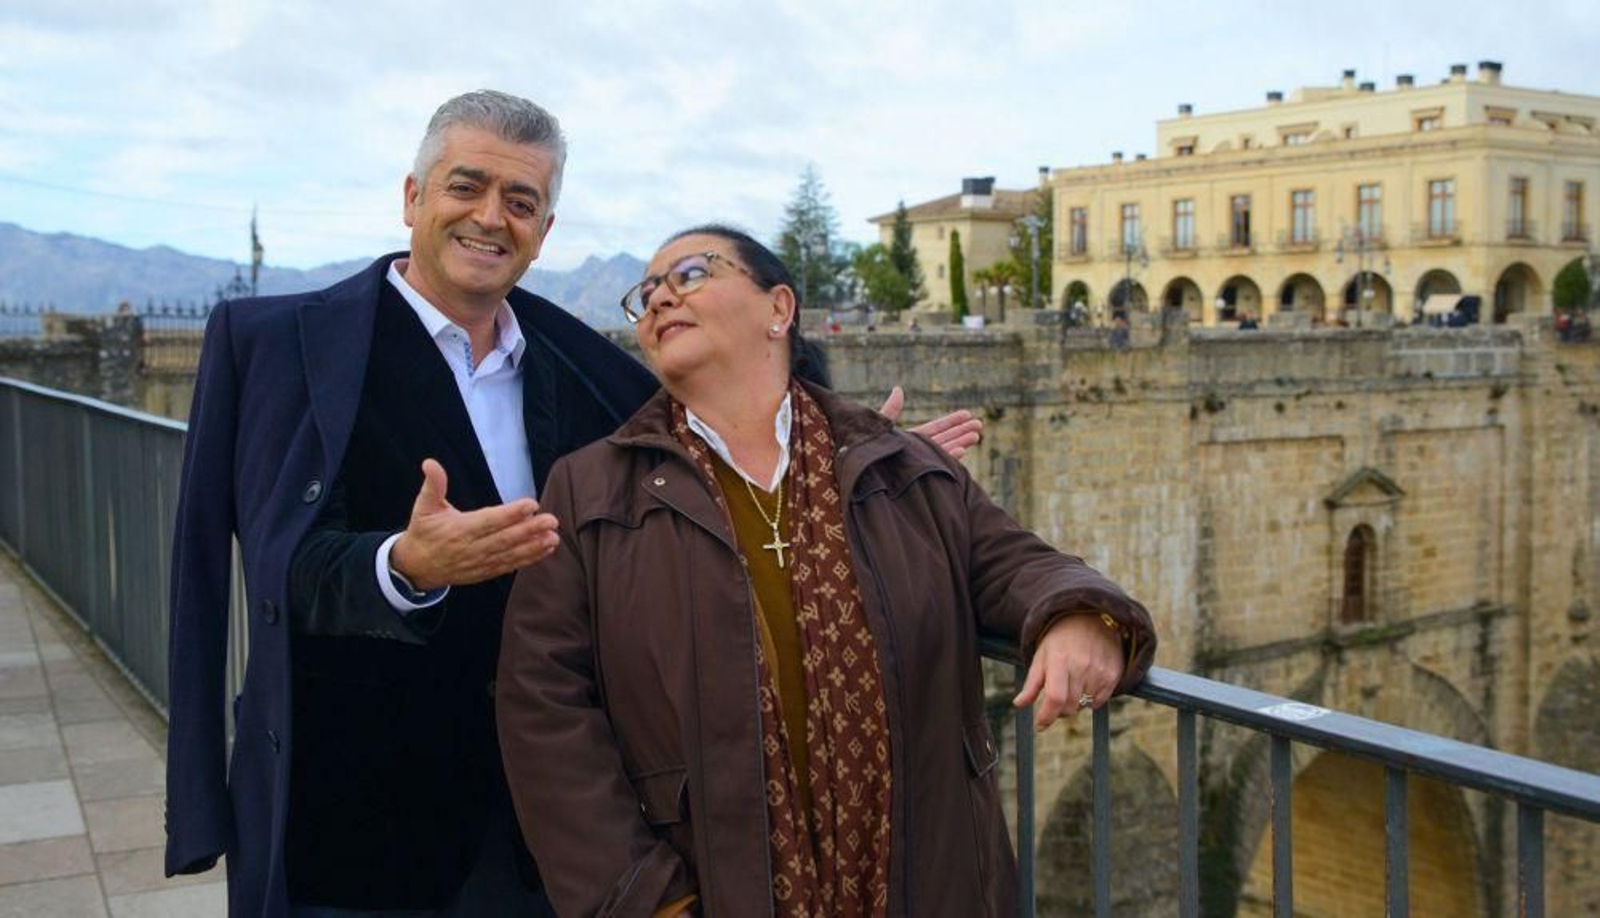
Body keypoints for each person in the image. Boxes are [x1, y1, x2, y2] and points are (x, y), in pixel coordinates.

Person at [164, 93, 980, 918]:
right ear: (413, 197)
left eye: (520, 201)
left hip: (553, 837)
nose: (491, 217)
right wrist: (404, 566)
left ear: (544, 230)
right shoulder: (276, 345)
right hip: (357, 829)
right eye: (466, 186)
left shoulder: (586, 363)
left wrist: (840, 463)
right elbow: (266, 569)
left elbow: (712, 447)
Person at [496, 225, 1156, 917]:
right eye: (646, 292)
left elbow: (1015, 564)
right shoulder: (590, 491)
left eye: (690, 274)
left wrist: (1082, 617)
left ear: (779, 308)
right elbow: (542, 699)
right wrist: (643, 898)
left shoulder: (898, 466)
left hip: (926, 882)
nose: (659, 297)